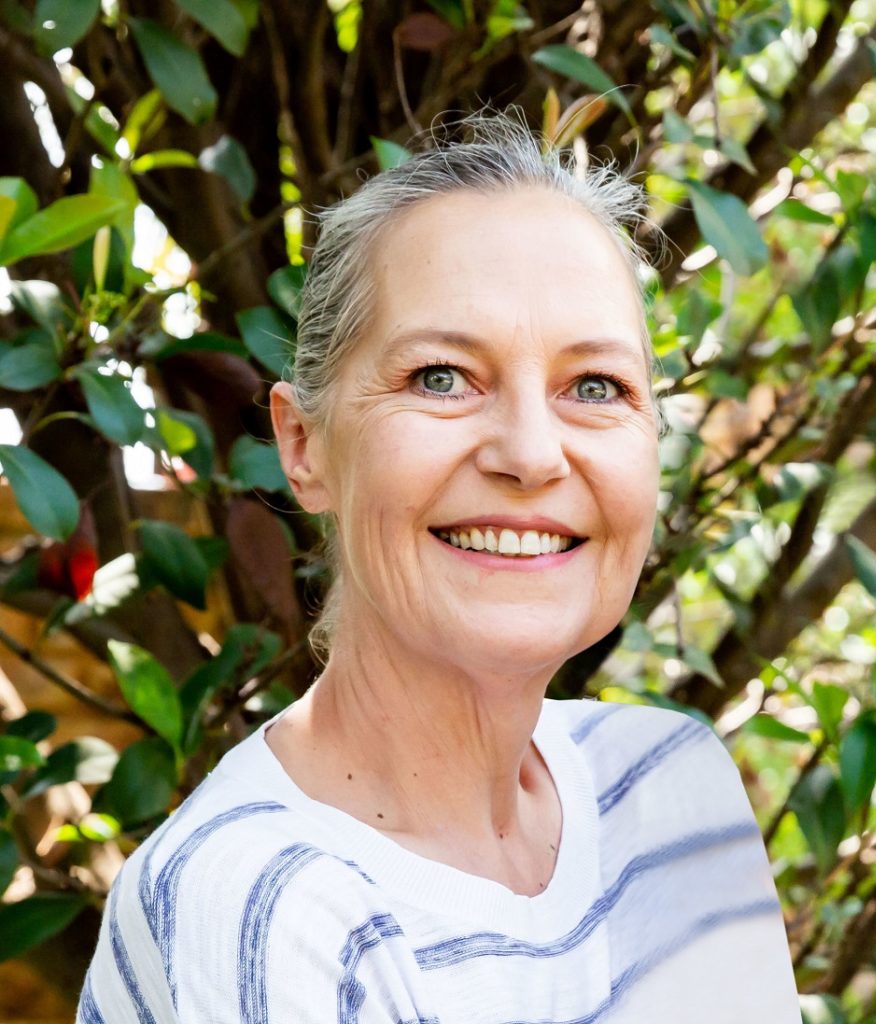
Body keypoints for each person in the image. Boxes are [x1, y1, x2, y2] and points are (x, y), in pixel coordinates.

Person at [78, 111, 801, 1023]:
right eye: (441, 377)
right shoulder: (261, 906)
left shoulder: (667, 788)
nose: (531, 454)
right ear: (303, 446)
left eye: (595, 387)